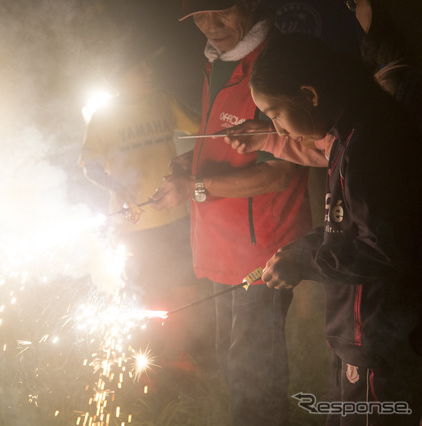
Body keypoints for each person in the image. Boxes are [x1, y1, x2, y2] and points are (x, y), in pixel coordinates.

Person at [150, 1, 312, 424]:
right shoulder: (218, 64)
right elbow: (217, 141)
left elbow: (278, 174)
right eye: (199, 17)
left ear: (250, 5)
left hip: (263, 252)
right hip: (223, 246)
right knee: (231, 358)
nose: (210, 25)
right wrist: (184, 168)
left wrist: (196, 187)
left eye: (221, 12)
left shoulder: (274, 64)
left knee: (254, 372)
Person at [250, 32, 422, 426]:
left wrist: (306, 265)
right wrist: (298, 251)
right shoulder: (348, 133)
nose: (275, 127)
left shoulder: (370, 142)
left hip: (378, 334)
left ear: (309, 94)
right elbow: (342, 222)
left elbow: (385, 250)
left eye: (275, 112)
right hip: (357, 333)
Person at [78, 36, 203, 368]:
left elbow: (204, 132)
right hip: (132, 224)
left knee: (184, 289)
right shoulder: (104, 117)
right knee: (146, 296)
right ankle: (144, 365)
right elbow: (89, 164)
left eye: (148, 66)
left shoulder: (163, 101)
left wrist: (188, 163)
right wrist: (116, 186)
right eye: (139, 68)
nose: (149, 72)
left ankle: (177, 355)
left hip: (175, 215)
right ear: (120, 79)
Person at [224, 0, 422, 164]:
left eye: (275, 115)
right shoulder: (348, 129)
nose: (281, 131)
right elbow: (331, 148)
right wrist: (269, 138)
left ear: (311, 95)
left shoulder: (386, 109)